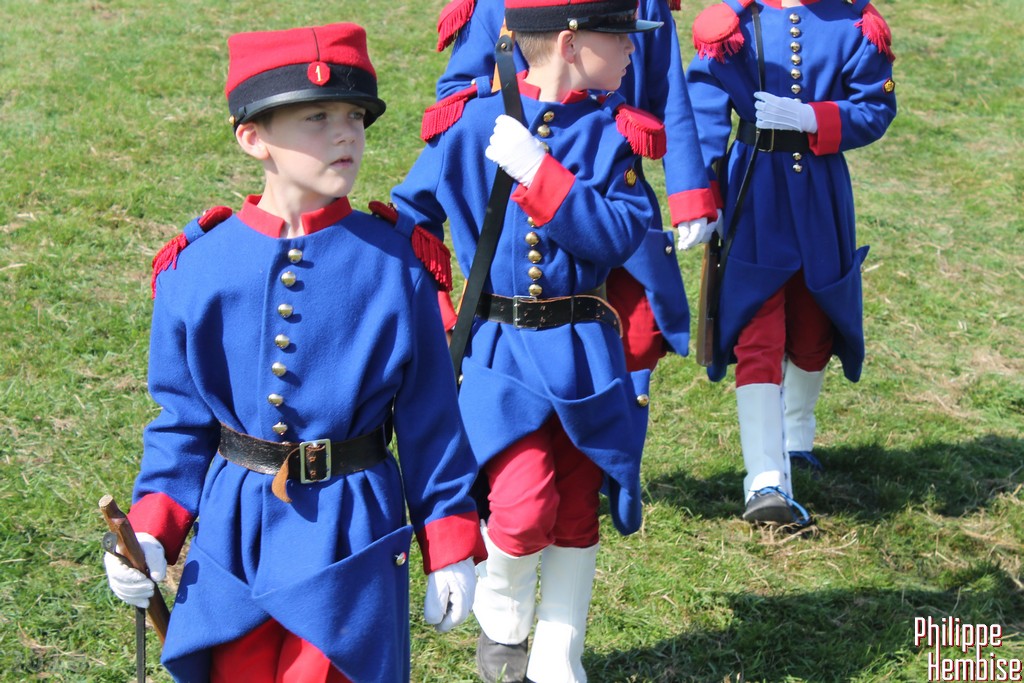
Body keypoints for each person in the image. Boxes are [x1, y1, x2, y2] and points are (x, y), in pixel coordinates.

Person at [101, 22, 486, 683]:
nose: (345, 135)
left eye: (354, 117)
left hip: (351, 532)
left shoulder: (397, 265)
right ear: (253, 137)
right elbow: (182, 421)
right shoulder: (199, 269)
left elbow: (431, 421)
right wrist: (152, 529)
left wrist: (448, 540)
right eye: (317, 118)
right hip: (235, 534)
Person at [390, 2, 663, 680]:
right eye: (618, 36)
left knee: (576, 508)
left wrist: (543, 176)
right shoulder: (471, 123)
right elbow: (410, 217)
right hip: (501, 352)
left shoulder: (608, 135)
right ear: (570, 44)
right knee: (522, 504)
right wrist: (440, 311)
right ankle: (504, 623)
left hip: (583, 356)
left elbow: (620, 234)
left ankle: (559, 658)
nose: (632, 49)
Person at [683, 0, 897, 524]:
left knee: (816, 323)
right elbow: (704, 111)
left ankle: (796, 435)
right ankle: (765, 479)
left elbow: (876, 107)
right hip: (754, 188)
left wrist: (813, 118)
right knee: (757, 327)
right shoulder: (732, 24)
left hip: (821, 192)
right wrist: (704, 195)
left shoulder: (855, 23)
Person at [430, 0, 719, 373]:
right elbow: (457, 92)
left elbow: (667, 88)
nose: (628, 46)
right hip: (515, 194)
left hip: (614, 179)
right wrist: (520, 116)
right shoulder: (493, 6)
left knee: (638, 334)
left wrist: (689, 193)